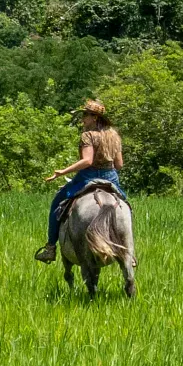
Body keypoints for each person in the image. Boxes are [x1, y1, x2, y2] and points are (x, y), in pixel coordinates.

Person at [37, 100, 128, 263]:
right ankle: (128, 251)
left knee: (57, 203)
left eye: (85, 115)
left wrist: (63, 172)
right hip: (111, 177)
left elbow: (87, 161)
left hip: (88, 176)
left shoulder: (87, 136)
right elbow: (119, 165)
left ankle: (50, 248)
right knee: (125, 206)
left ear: (95, 117)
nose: (82, 118)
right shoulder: (114, 136)